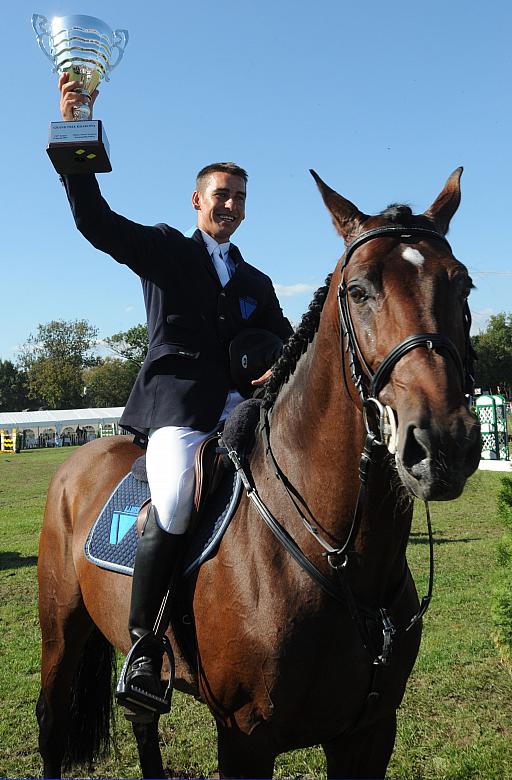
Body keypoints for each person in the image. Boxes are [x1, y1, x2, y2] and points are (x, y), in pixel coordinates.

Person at [57, 74, 293, 713]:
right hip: (179, 413)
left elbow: (282, 343)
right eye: (222, 195)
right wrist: (76, 133)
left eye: (241, 197)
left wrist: (273, 367)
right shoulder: (166, 250)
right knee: (176, 498)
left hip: (244, 413)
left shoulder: (256, 279)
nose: (232, 206)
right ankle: (141, 646)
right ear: (197, 199)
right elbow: (95, 221)